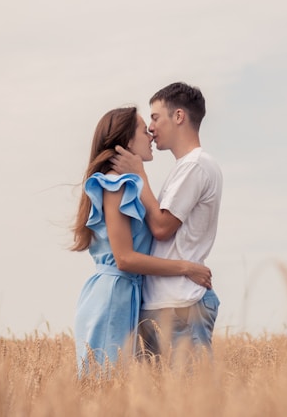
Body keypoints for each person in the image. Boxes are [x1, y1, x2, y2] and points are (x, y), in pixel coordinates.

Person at [72, 106, 212, 378]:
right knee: (105, 386)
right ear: (125, 141)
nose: (149, 133)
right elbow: (124, 259)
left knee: (117, 387)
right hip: (113, 296)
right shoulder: (116, 185)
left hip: (125, 294)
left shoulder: (129, 185)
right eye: (142, 129)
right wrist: (186, 267)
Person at [111, 82, 223, 360]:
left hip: (180, 304)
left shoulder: (195, 165)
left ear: (179, 116)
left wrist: (140, 175)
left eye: (155, 117)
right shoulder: (184, 168)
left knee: (189, 399)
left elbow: (161, 228)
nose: (150, 127)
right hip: (167, 302)